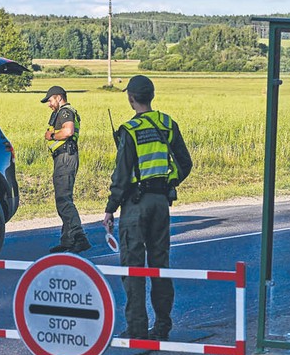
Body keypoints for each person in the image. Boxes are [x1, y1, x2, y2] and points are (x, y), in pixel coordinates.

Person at [102, 75, 192, 340]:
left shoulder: (130, 130)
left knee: (133, 267)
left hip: (135, 204)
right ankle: (163, 326)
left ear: (131, 98)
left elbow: (121, 176)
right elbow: (185, 163)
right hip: (161, 202)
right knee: (159, 264)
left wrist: (110, 208)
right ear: (151, 96)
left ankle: (137, 328)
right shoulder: (167, 123)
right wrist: (168, 182)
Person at [42, 86, 91, 253]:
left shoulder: (65, 112)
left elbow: (68, 131)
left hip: (65, 157)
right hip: (62, 157)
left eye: (50, 100)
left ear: (58, 97)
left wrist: (51, 136)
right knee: (63, 198)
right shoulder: (60, 112)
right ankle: (67, 240)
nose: (49, 104)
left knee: (63, 200)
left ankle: (79, 237)